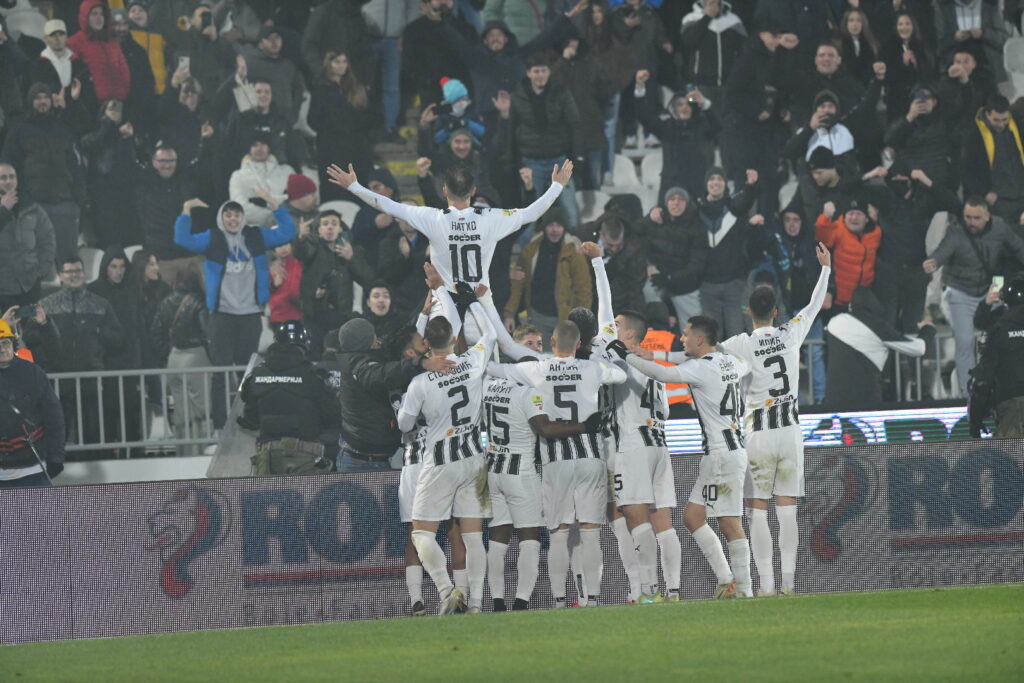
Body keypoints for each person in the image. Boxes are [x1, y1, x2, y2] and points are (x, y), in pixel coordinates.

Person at [327, 160, 571, 336]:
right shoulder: (492, 218)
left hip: (444, 311)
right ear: (473, 192)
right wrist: (556, 186)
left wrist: (354, 186)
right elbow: (532, 212)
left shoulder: (433, 218)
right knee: (487, 377)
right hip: (480, 309)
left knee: (442, 378)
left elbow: (388, 206)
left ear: (444, 191)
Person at [609, 315, 753, 599]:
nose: (682, 338)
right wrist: (659, 354)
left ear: (700, 339)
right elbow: (736, 360)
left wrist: (625, 354)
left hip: (722, 455)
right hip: (725, 452)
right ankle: (727, 580)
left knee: (729, 522)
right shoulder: (734, 363)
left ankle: (744, 592)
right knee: (693, 517)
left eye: (686, 335)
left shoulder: (699, 369)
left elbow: (661, 374)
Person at [717, 243, 831, 596]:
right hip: (791, 432)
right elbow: (813, 306)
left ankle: (765, 587)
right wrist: (825, 269)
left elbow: (708, 356)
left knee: (758, 511)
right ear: (777, 311)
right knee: (787, 511)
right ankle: (789, 585)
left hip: (758, 433)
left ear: (748, 311)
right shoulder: (790, 332)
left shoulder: (739, 343)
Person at [488, 320, 627, 608]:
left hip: (555, 461)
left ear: (552, 342)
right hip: (590, 457)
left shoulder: (536, 368)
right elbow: (621, 376)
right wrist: (591, 360)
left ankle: (560, 601)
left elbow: (493, 368)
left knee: (559, 533)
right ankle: (593, 599)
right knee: (590, 534)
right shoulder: (591, 368)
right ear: (578, 344)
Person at [397, 299, 496, 615]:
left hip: (439, 461)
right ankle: (477, 603)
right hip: (473, 458)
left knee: (422, 532)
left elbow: (405, 424)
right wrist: (476, 302)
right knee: (473, 536)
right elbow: (491, 335)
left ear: (426, 344)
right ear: (453, 339)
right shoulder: (472, 361)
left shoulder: (420, 382)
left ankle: (446, 590)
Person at [173, 192, 296, 436]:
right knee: (220, 373)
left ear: (242, 217)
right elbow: (182, 240)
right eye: (228, 214)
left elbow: (287, 232)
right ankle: (220, 428)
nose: (233, 218)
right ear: (222, 217)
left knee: (247, 374)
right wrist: (186, 209)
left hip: (251, 314)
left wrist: (274, 204)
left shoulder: (255, 235)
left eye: (237, 214)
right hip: (222, 316)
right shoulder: (212, 238)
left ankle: (249, 423)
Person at [608, 311, 682, 603]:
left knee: (636, 518)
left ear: (629, 335)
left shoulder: (619, 359)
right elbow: (665, 411)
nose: (611, 329)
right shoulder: (653, 366)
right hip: (660, 443)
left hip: (634, 443)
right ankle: (674, 589)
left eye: (617, 326)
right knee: (663, 521)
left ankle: (649, 591)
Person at [924, 198, 1024, 396]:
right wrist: (934, 261)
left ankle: (996, 388)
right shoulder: (956, 231)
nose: (971, 222)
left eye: (976, 218)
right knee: (965, 341)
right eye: (968, 217)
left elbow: (1019, 247)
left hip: (989, 290)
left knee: (996, 337)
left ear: (987, 216)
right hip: (960, 293)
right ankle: (968, 395)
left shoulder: (1000, 227)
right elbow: (943, 250)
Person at [335, 315, 456, 473]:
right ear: (366, 341)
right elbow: (381, 375)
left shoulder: (367, 354)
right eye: (374, 335)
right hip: (361, 462)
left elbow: (398, 335)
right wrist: (421, 362)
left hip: (384, 456)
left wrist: (423, 313)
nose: (378, 339)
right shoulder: (359, 367)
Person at [38, 256, 124, 458]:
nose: (74, 275)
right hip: (58, 379)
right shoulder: (46, 305)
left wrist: (99, 333)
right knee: (59, 430)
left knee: (93, 430)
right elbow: (33, 338)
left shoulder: (100, 304)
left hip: (91, 377)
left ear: (84, 274)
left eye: (78, 271)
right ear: (60, 275)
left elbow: (118, 338)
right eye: (69, 271)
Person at [239, 321, 340, 476]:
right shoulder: (314, 376)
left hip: (268, 458)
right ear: (305, 346)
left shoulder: (256, 375)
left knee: (269, 499)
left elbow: (250, 420)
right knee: (307, 499)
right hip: (306, 458)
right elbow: (331, 416)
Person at [2, 82, 86, 264]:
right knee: (38, 263)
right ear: (30, 101)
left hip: (65, 203)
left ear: (51, 100)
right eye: (37, 98)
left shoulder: (62, 126)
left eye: (45, 97)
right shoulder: (19, 130)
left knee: (68, 262)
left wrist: (79, 198)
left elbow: (76, 164)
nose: (42, 101)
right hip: (34, 205)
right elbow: (8, 166)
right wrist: (21, 200)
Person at [824, 287, 934, 406]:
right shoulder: (879, 327)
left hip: (833, 401)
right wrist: (928, 329)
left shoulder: (834, 322)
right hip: (865, 400)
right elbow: (918, 348)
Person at [503, 207, 592, 346]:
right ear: (544, 226)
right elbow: (517, 284)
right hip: (538, 316)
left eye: (559, 225)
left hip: (566, 320)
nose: (555, 230)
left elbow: (584, 290)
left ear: (564, 227)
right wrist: (509, 313)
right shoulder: (531, 249)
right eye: (551, 225)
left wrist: (580, 322)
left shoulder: (574, 251)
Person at [150, 261, 210, 456]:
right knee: (201, 407)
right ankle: (203, 450)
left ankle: (183, 451)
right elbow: (206, 332)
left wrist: (167, 353)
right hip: (196, 355)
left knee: (181, 409)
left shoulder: (166, 301)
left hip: (174, 358)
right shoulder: (199, 302)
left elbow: (155, 332)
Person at [0, 319, 65, 488]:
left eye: (5, 342)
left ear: (13, 344)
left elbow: (54, 417)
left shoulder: (33, 373)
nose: (2, 348)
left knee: (45, 515)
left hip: (34, 470)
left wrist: (55, 457)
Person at [309, 51, 374, 201]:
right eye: (337, 62)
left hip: (356, 147)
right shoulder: (320, 88)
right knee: (334, 188)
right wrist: (333, 127)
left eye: (344, 61)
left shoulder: (356, 88)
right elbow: (313, 119)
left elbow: (369, 115)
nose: (341, 66)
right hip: (331, 148)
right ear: (329, 63)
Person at [641, 187, 708, 325]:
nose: (676, 203)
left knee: (693, 330)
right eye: (672, 199)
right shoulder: (657, 221)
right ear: (666, 203)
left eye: (681, 200)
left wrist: (670, 277)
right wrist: (649, 218)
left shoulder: (697, 227)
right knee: (652, 322)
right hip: (657, 281)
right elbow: (635, 234)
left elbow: (697, 266)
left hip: (685, 287)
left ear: (687, 203)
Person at [970, 279, 1024, 438]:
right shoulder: (1000, 325)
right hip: (1012, 401)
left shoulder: (1000, 328)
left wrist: (976, 420)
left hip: (1012, 401)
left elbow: (984, 378)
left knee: (1009, 458)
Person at [0, 161, 55, 313]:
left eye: (12, 177)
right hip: (3, 289)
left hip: (30, 285)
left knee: (31, 331)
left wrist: (41, 271)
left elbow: (48, 241)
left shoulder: (32, 207)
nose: (8, 181)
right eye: (3, 177)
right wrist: (3, 210)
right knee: (6, 334)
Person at [961, 95, 1024, 225]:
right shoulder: (973, 135)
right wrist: (984, 193)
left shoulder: (1016, 125)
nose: (1001, 124)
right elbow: (965, 170)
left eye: (1004, 119)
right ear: (987, 114)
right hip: (998, 200)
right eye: (996, 120)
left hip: (1020, 193)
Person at [815, 196, 883, 311]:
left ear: (866, 218)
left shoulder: (876, 233)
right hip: (839, 300)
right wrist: (825, 217)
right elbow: (822, 236)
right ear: (844, 217)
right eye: (851, 214)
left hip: (863, 299)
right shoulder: (838, 230)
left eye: (859, 214)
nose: (854, 218)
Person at [67, 0, 130, 103]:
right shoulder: (75, 42)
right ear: (85, 16)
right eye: (94, 14)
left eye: (101, 14)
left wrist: (122, 95)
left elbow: (123, 69)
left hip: (116, 103)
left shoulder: (112, 41)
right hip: (90, 103)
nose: (99, 18)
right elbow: (73, 74)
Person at [228, 133, 295, 228]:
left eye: (263, 144)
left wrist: (266, 202)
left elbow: (296, 201)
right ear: (249, 149)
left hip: (288, 227)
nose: (259, 149)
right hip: (255, 230)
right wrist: (274, 215)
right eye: (254, 145)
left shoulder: (287, 171)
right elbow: (240, 207)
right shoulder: (238, 176)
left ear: (269, 147)